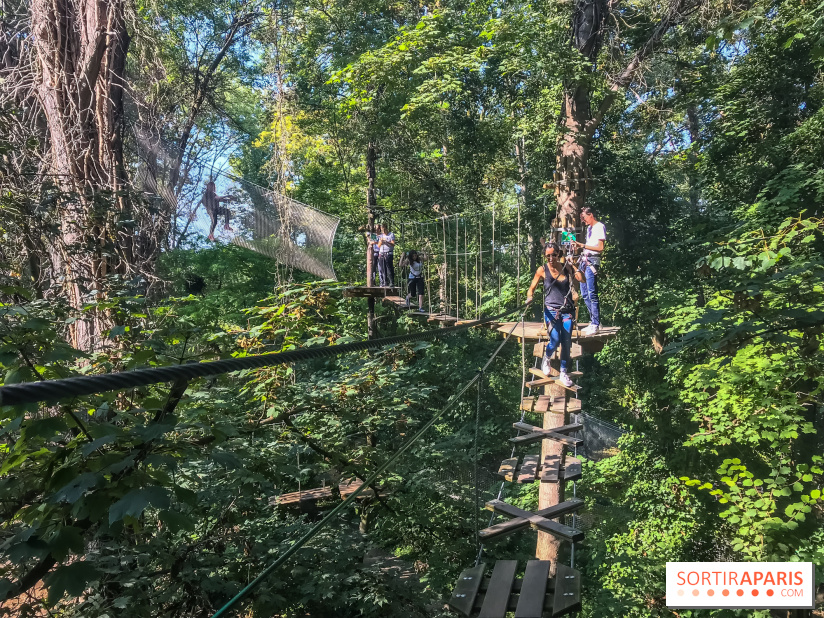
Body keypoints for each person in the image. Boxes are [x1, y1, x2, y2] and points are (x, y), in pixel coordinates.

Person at [526, 242, 580, 387]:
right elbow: (532, 288)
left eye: (554, 255)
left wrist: (572, 265)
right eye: (548, 255)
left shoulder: (565, 267)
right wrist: (529, 297)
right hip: (551, 310)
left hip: (567, 310)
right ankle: (547, 357)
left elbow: (581, 279)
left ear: (559, 254)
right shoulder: (542, 270)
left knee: (566, 342)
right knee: (555, 339)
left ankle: (563, 372)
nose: (551, 258)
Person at [573, 206, 606, 335]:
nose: (583, 220)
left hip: (592, 261)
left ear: (591, 215)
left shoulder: (599, 227)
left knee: (592, 293)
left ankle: (595, 324)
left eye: (584, 217)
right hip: (585, 260)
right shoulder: (590, 229)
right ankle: (594, 321)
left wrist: (583, 245)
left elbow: (600, 248)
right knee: (584, 293)